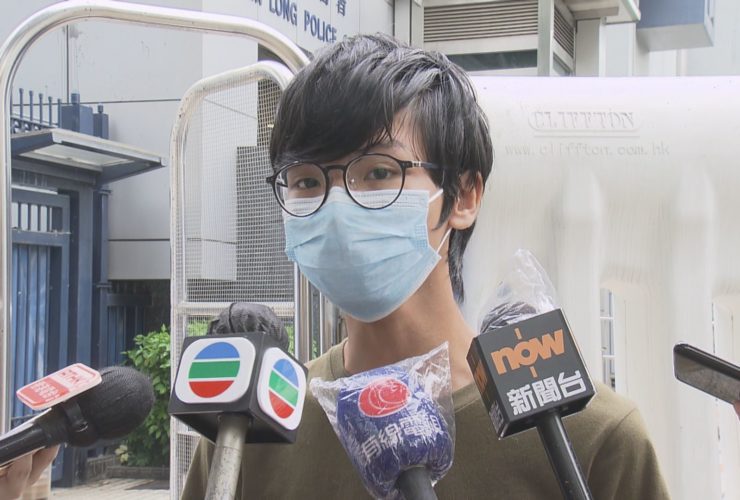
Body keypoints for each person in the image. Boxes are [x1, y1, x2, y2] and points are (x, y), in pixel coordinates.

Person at [183, 33, 670, 499]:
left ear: (464, 195)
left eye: (378, 172)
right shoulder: (247, 435)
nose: (337, 206)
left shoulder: (594, 439)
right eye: (306, 181)